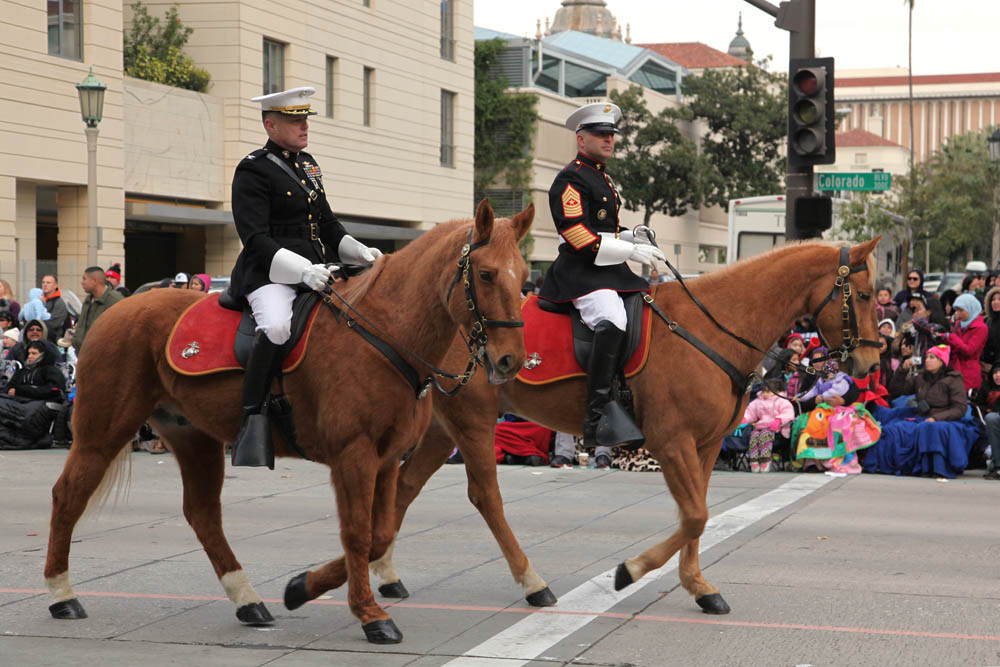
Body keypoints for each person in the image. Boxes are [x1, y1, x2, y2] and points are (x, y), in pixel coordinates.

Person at [228, 86, 382, 468]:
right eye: (295, 120)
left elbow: (327, 224)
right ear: (270, 124)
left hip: (316, 271)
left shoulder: (308, 164)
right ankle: (253, 417)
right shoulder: (253, 169)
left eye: (305, 119)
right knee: (278, 327)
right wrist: (302, 269)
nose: (303, 127)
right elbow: (255, 239)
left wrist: (361, 251)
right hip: (269, 275)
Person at [536, 102, 664, 449]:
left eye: (611, 134)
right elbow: (576, 235)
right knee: (613, 319)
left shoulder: (600, 175)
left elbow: (603, 229)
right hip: (582, 273)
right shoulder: (570, 178)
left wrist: (630, 238)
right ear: (581, 139)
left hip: (608, 269)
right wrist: (629, 251)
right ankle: (597, 417)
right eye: (600, 134)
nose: (609, 139)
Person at [888, 344, 967, 422]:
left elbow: (960, 408)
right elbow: (896, 391)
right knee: (893, 424)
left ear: (942, 361)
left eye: (931, 357)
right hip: (921, 416)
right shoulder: (921, 377)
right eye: (926, 357)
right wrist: (902, 370)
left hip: (943, 421)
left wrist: (935, 418)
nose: (927, 360)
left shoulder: (953, 379)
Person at [741, 377, 794, 472]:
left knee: (764, 435)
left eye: (769, 391)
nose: (765, 394)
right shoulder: (758, 402)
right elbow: (750, 412)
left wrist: (779, 420)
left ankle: (765, 461)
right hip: (760, 428)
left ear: (778, 391)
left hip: (777, 431)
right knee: (754, 435)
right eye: (764, 391)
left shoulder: (782, 401)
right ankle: (754, 461)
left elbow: (788, 413)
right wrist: (745, 419)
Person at [72, 266, 124, 354]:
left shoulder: (115, 300)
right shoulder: (88, 300)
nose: (82, 283)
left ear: (94, 281)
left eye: (84, 279)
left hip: (102, 356)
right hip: (82, 354)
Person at [942, 292, 987, 393]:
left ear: (970, 309)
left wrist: (951, 337)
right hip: (954, 369)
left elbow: (969, 350)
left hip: (969, 373)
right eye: (957, 310)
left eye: (961, 310)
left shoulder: (981, 328)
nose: (958, 313)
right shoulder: (959, 324)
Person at [979, 363, 1000, 479]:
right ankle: (998, 466)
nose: (998, 376)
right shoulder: (987, 387)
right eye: (996, 373)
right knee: (991, 418)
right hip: (995, 416)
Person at [41, 275, 69, 343]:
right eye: (43, 282)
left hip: (54, 341)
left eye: (48, 283)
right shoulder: (38, 301)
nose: (45, 285)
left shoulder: (59, 303)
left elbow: (55, 323)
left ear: (55, 285)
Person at [981, 285, 1000, 373]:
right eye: (993, 299)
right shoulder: (988, 320)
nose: (995, 302)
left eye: (999, 299)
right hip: (989, 367)